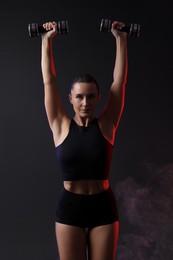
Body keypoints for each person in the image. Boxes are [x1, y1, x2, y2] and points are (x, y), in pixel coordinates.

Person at [41, 20, 128, 260]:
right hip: (70, 207)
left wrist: (120, 39)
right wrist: (47, 41)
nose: (85, 103)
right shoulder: (59, 125)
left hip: (103, 207)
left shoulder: (107, 124)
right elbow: (49, 81)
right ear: (70, 98)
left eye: (91, 97)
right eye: (79, 97)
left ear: (99, 97)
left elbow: (119, 83)